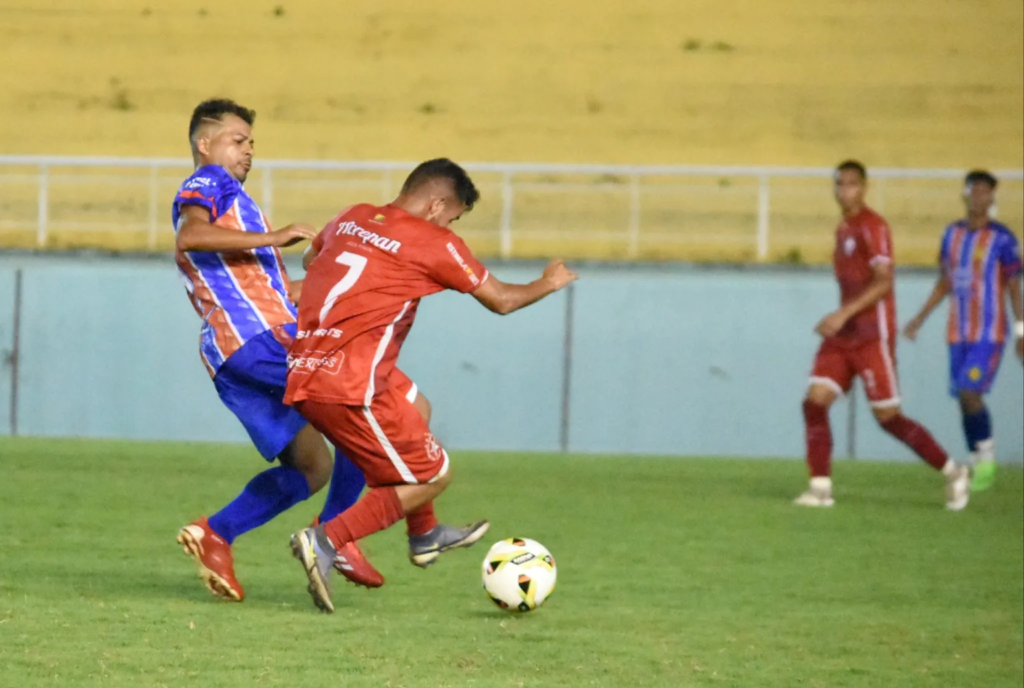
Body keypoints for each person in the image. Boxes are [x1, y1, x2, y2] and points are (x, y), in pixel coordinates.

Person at [284, 158, 578, 612]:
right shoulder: (434, 240)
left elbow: (312, 261)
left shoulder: (352, 215)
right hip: (349, 383)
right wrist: (547, 282)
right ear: (438, 203)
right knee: (432, 474)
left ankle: (424, 535)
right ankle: (326, 539)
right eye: (453, 216)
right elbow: (500, 300)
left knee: (417, 408)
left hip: (307, 365)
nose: (450, 223)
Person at [171, 98, 375, 601]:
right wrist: (277, 233)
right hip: (254, 341)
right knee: (363, 411)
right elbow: (190, 234)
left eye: (251, 144)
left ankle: (215, 533)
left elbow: (284, 296)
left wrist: (346, 277)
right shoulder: (211, 182)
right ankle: (334, 539)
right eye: (238, 141)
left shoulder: (240, 211)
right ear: (205, 144)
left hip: (233, 356)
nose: (248, 151)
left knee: (313, 467)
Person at [794, 160, 970, 509]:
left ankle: (953, 472)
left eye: (852, 184)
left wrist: (842, 312)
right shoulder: (843, 229)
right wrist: (841, 320)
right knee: (814, 403)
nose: (845, 191)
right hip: (843, 336)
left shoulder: (873, 226)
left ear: (864, 187)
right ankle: (820, 487)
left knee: (888, 420)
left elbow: (884, 280)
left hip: (873, 337)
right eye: (839, 184)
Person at [903, 170, 1023, 492]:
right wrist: (919, 318)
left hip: (989, 332)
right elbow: (945, 281)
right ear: (966, 194)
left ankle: (985, 455)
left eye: (986, 192)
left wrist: (1021, 330)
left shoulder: (1003, 238)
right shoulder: (951, 235)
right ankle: (976, 455)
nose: (979, 196)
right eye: (975, 190)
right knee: (962, 398)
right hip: (958, 332)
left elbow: (1013, 285)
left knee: (970, 392)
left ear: (992, 197)